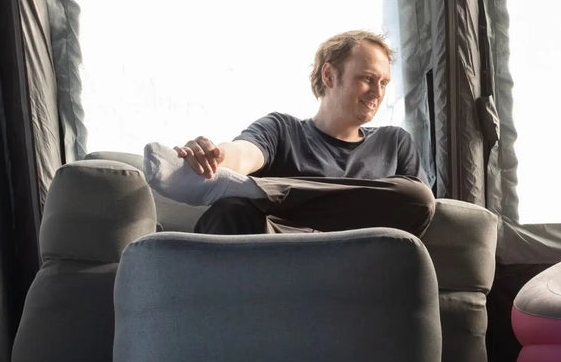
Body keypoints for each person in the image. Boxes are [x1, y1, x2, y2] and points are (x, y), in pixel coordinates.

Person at [143, 29, 435, 237]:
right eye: (368, 79)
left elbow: (417, 215)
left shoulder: (393, 142)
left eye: (384, 82)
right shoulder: (283, 129)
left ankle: (259, 191)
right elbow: (245, 153)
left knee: (417, 196)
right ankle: (231, 185)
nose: (377, 92)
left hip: (357, 255)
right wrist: (212, 160)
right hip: (285, 247)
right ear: (329, 75)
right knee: (228, 211)